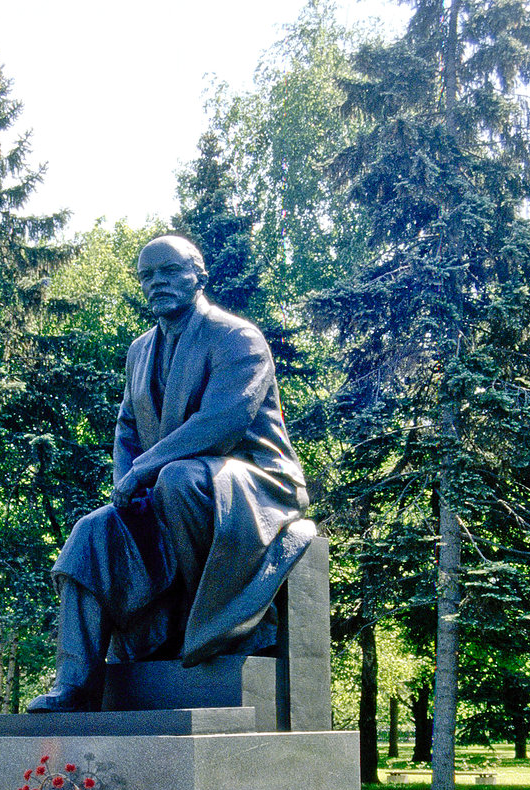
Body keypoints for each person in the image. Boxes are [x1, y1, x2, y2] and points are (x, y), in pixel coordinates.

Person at [28, 234, 315, 712]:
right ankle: (77, 683)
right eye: (147, 275)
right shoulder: (140, 351)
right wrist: (128, 484)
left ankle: (204, 620)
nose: (157, 282)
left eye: (169, 271)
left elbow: (223, 421)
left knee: (179, 480)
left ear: (199, 276)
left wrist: (143, 470)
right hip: (166, 484)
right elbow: (127, 428)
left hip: (256, 482)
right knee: (91, 533)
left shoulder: (236, 337)